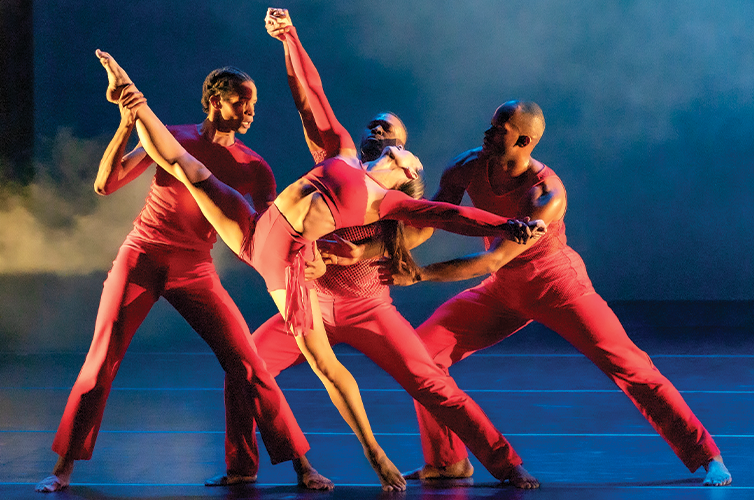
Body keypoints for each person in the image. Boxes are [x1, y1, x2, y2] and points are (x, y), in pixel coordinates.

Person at [93, 17, 544, 488]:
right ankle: (241, 467)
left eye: (390, 131)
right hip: (300, 285)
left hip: (366, 305)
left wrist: (503, 225)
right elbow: (310, 96)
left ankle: (503, 462)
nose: (379, 130)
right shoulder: (338, 154)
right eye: (376, 126)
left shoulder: (394, 200)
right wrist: (289, 37)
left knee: (427, 381)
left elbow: (439, 222)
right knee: (247, 369)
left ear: (407, 157)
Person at [382, 100, 733, 487]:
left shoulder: (547, 193)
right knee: (420, 354)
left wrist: (421, 274)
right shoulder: (467, 166)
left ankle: (707, 455)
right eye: (491, 124)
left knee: (630, 366)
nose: (487, 133)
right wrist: (381, 217)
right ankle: (447, 461)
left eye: (499, 128)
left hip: (555, 284)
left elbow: (493, 259)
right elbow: (432, 220)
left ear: (524, 140)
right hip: (504, 289)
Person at [36, 66, 332, 492]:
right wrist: (126, 123)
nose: (250, 111)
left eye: (253, 103)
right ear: (215, 100)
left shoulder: (254, 167)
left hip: (195, 268)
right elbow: (105, 184)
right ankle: (63, 468)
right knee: (101, 359)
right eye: (240, 101)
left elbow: (274, 230)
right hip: (141, 257)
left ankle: (301, 466)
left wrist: (312, 255)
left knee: (248, 364)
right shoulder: (170, 136)